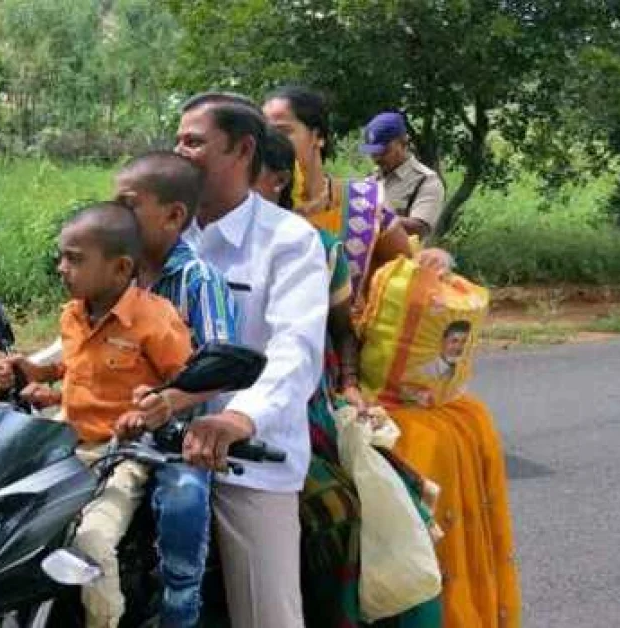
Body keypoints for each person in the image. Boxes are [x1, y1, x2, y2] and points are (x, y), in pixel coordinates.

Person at [263, 86, 521, 628]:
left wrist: (434, 260)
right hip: (274, 374)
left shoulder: (361, 207)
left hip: (350, 369)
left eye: (283, 130)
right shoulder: (248, 206)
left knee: (410, 465)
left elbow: (411, 269)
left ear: (318, 137)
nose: (270, 140)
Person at [0, 152, 238, 627]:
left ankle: (177, 607)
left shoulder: (194, 281)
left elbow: (212, 370)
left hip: (166, 436)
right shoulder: (94, 290)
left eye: (128, 204)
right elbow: (83, 359)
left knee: (182, 506)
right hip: (81, 437)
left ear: (173, 216)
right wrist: (38, 376)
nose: (116, 212)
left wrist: (158, 407)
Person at [175, 92, 329, 628]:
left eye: (194, 142)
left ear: (242, 150)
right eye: (177, 140)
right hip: (153, 445)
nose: (180, 152)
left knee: (268, 615)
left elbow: (296, 348)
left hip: (246, 460)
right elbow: (114, 311)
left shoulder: (288, 240)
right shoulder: (163, 227)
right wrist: (43, 366)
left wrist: (240, 418)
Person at [360, 112, 446, 240]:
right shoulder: (371, 179)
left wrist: (379, 218)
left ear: (404, 143)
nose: (377, 158)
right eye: (373, 152)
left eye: (384, 151)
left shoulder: (426, 181)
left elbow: (419, 228)